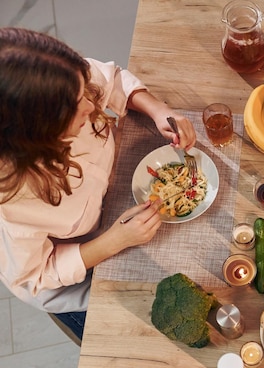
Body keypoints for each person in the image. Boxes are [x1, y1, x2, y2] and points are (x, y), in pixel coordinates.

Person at [0, 27, 197, 338]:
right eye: (77, 107)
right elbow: (36, 276)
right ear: (37, 133)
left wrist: (159, 110)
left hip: (117, 199)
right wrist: (115, 241)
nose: (92, 107)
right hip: (79, 274)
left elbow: (113, 82)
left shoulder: (62, 81)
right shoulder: (13, 202)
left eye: (83, 93)